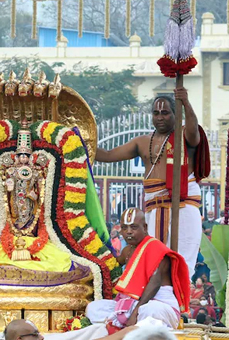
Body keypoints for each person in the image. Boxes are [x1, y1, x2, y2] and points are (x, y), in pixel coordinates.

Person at [95, 91, 210, 276]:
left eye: (165, 112)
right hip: (154, 210)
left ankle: (178, 303)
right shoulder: (142, 142)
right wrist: (78, 143)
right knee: (155, 263)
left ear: (175, 114)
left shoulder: (183, 137)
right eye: (156, 113)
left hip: (183, 207)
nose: (160, 117)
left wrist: (186, 102)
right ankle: (157, 302)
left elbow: (194, 133)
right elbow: (108, 155)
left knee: (183, 262)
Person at [86, 208, 190, 330]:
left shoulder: (156, 248)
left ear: (145, 228)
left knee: (149, 311)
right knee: (94, 308)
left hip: (159, 304)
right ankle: (127, 326)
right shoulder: (127, 251)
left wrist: (135, 313)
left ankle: (127, 326)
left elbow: (154, 284)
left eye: (134, 227)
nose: (128, 232)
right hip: (133, 303)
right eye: (124, 228)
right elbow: (112, 264)